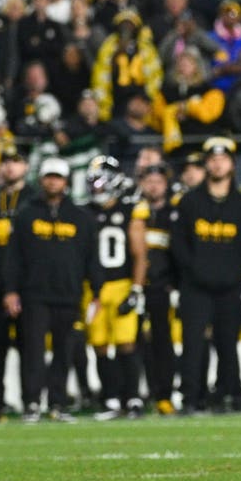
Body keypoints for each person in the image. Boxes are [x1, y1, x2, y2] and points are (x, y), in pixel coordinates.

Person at [2, 157, 101, 422]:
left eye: (57, 177)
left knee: (64, 352)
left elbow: (92, 258)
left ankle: (58, 403)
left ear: (66, 181)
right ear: (41, 179)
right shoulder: (26, 214)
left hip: (69, 295)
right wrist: (10, 290)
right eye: (48, 176)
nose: (52, 181)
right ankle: (32, 403)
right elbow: (14, 257)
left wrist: (98, 292)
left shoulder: (82, 218)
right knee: (32, 350)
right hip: (34, 295)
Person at [169, 136, 241, 414]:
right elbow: (178, 243)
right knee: (193, 344)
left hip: (229, 286)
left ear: (231, 164)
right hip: (195, 286)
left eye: (223, 159)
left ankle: (227, 394)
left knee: (227, 344)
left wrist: (234, 271)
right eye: (213, 159)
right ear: (207, 164)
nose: (218, 164)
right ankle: (190, 399)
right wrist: (194, 271)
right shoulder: (189, 202)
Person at [84, 155, 149, 420]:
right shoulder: (84, 212)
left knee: (126, 343)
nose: (96, 188)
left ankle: (132, 398)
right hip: (94, 288)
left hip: (121, 283)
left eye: (100, 183)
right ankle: (111, 399)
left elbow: (140, 254)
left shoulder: (130, 210)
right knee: (99, 344)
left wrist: (136, 289)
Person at [0, 146, 33, 419]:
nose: (9, 167)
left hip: (27, 284)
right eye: (5, 162)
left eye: (15, 161)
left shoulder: (34, 199)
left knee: (30, 347)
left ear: (25, 166)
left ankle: (31, 401)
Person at [136, 162, 180, 414]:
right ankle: (135, 393)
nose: (153, 186)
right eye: (149, 181)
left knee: (163, 342)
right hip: (135, 286)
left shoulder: (174, 214)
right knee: (132, 343)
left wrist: (175, 284)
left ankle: (164, 394)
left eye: (158, 181)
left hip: (162, 287)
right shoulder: (133, 212)